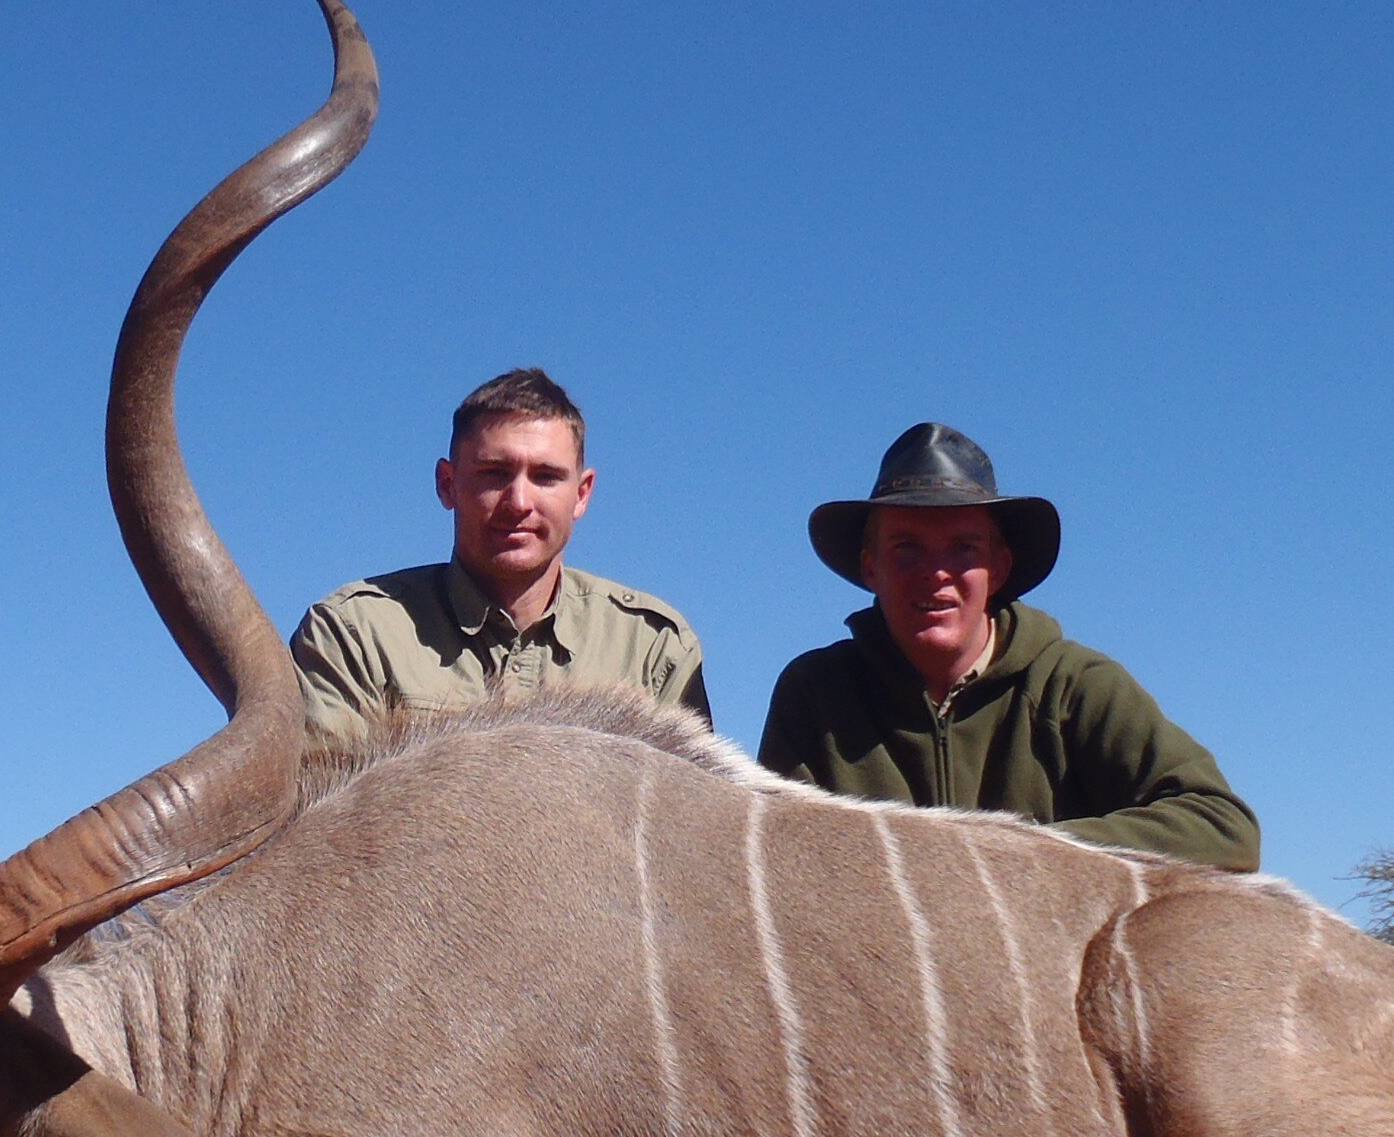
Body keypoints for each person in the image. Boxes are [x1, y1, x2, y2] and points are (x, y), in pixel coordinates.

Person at [758, 422, 1258, 868]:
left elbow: (1223, 828)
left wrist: (1009, 855)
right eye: (907, 547)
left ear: (998, 569)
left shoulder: (1071, 684)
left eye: (963, 548)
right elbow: (779, 858)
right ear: (871, 568)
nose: (936, 575)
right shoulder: (816, 693)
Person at [293, 367, 708, 740]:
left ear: (581, 494)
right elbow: (333, 816)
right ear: (447, 483)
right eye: (494, 474)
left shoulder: (652, 647)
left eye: (546, 477)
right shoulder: (355, 633)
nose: (519, 501)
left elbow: (685, 818)